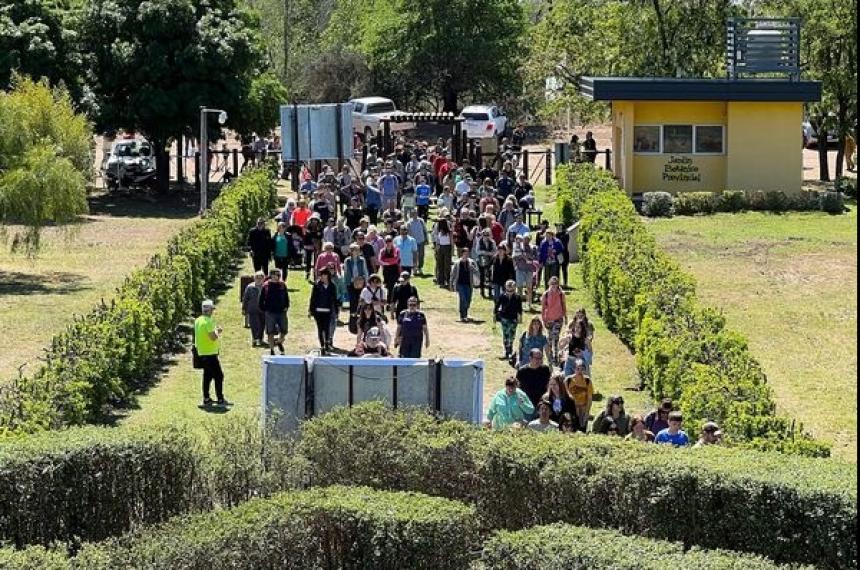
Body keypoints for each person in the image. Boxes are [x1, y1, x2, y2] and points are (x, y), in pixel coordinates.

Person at [194, 299, 228, 407]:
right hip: (210, 354)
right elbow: (212, 337)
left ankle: (206, 398)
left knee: (207, 376)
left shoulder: (198, 320)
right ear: (210, 310)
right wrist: (218, 331)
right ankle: (220, 398)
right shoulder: (208, 321)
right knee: (219, 376)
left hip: (201, 352)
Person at [258, 268, 290, 356]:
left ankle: (279, 342)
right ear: (271, 275)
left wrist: (287, 306)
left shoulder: (282, 285)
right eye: (274, 275)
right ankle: (272, 350)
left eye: (278, 275)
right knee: (270, 332)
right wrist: (264, 309)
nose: (276, 277)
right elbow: (261, 299)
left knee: (284, 330)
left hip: (281, 312)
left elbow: (286, 297)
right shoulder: (266, 285)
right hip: (270, 312)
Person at [308, 268, 339, 354]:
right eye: (322, 275)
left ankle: (326, 344)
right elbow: (313, 298)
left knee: (327, 328)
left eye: (325, 275)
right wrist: (310, 310)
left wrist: (336, 311)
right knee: (320, 329)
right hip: (318, 311)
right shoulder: (317, 285)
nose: (323, 277)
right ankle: (322, 346)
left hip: (328, 310)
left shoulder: (332, 286)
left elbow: (335, 299)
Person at [516, 348, 551, 419]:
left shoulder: (545, 369)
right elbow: (517, 388)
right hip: (527, 404)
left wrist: (547, 393)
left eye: (540, 358)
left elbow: (549, 384)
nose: (539, 360)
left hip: (541, 404)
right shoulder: (522, 371)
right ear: (530, 358)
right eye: (536, 358)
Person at [494, 279, 523, 360]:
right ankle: (507, 351)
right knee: (506, 335)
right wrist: (495, 315)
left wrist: (520, 317)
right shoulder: (502, 296)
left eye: (512, 290)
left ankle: (510, 349)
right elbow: (497, 306)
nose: (510, 292)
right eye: (508, 290)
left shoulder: (517, 297)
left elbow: (520, 309)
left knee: (512, 335)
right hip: (504, 318)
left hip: (513, 319)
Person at [541, 276, 567, 365]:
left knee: (555, 338)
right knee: (549, 338)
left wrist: (565, 316)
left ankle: (556, 357)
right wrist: (544, 320)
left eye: (555, 284)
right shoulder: (546, 294)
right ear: (549, 284)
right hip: (549, 319)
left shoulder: (561, 294)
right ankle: (550, 356)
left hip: (558, 319)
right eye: (552, 284)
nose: (554, 286)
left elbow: (564, 305)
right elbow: (543, 308)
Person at [449, 247, 479, 322]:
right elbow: (453, 274)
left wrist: (473, 269)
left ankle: (465, 314)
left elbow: (477, 272)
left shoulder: (472, 262)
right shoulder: (457, 263)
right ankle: (462, 316)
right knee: (463, 299)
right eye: (465, 253)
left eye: (467, 253)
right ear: (462, 254)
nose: (466, 255)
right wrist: (451, 284)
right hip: (460, 284)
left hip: (469, 284)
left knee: (468, 300)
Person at [564, 359, 593, 432]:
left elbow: (589, 398)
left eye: (582, 369)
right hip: (572, 408)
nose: (580, 371)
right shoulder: (568, 380)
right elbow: (567, 394)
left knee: (582, 428)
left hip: (583, 408)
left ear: (585, 370)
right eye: (578, 369)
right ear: (574, 369)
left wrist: (586, 413)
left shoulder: (587, 381)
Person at [241, 271, 266, 347]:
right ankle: (254, 339)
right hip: (253, 309)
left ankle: (260, 339)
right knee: (254, 325)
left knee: (262, 324)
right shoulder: (250, 287)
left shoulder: (265, 287)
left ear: (263, 279)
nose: (259, 280)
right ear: (254, 279)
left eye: (260, 278)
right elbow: (245, 298)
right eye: (257, 278)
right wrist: (244, 308)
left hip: (263, 309)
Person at [406, 209, 427, 275]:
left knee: (421, 255)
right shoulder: (408, 223)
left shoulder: (421, 221)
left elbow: (424, 230)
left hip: (421, 240)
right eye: (413, 213)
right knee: (414, 256)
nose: (414, 214)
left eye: (415, 213)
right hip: (413, 242)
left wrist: (426, 239)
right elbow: (408, 233)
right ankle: (414, 268)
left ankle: (420, 267)